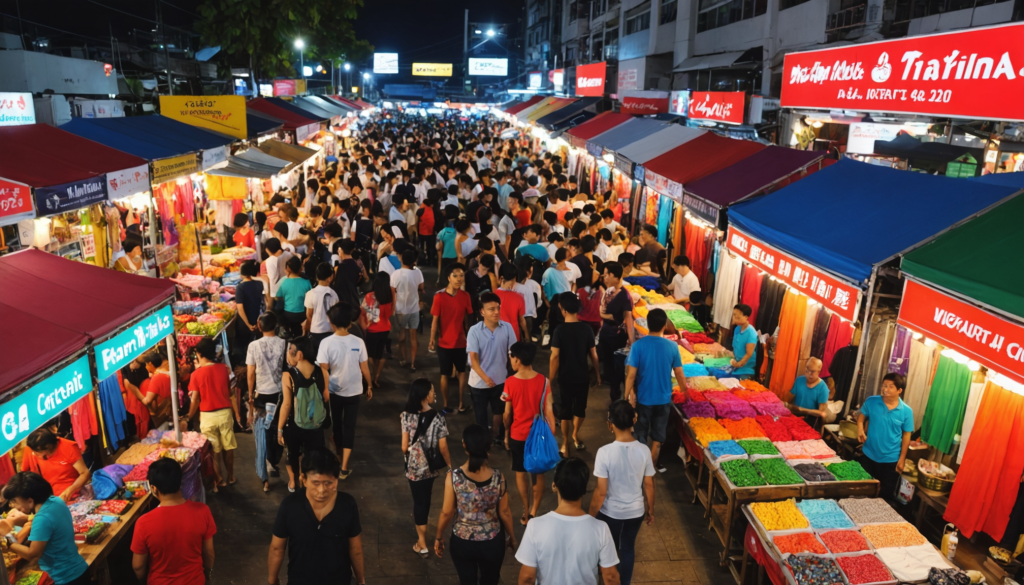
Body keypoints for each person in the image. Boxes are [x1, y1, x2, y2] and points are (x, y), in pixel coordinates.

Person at [268, 448, 366, 585]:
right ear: (304, 479)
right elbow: (277, 549)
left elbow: (355, 549)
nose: (321, 491)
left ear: (337, 480)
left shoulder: (347, 504)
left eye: (328, 483)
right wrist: (272, 579)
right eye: (316, 483)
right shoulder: (289, 506)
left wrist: (361, 580)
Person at [516, 458, 620, 585]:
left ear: (554, 486)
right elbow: (610, 577)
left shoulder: (535, 526)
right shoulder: (600, 528)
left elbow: (527, 577)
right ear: (584, 489)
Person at [434, 424, 517, 585]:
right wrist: (512, 537)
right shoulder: (498, 478)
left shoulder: (454, 478)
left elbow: (447, 512)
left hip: (462, 542)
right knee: (491, 580)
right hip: (492, 542)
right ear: (488, 446)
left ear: (464, 444)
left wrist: (439, 536)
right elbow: (505, 512)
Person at [589, 401, 656, 585]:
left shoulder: (604, 453)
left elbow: (601, 492)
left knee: (608, 550)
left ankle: (608, 580)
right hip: (635, 513)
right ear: (634, 420)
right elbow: (649, 484)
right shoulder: (644, 451)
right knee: (627, 548)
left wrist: (590, 516)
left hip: (611, 513)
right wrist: (650, 510)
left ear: (609, 424)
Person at [131, 459, 216, 585]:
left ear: (154, 488)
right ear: (180, 481)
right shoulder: (203, 511)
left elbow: (138, 566)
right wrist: (207, 573)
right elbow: (208, 552)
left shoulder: (143, 523)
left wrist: (143, 580)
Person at [624, 309, 687, 472]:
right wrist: (686, 393)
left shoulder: (638, 346)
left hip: (643, 399)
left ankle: (639, 467)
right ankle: (650, 469)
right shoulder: (672, 346)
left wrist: (626, 397)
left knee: (641, 435)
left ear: (648, 324)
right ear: (665, 325)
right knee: (658, 439)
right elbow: (679, 373)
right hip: (663, 399)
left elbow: (631, 375)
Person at [2, 472, 89, 585]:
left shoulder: (42, 519)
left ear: (30, 500)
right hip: (79, 568)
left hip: (66, 578)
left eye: (16, 502)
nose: (16, 507)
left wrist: (8, 537)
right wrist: (26, 520)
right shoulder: (55, 501)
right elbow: (50, 524)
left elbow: (32, 555)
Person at [317, 303, 373, 479]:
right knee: (350, 427)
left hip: (334, 391)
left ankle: (340, 455)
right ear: (350, 323)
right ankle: (344, 467)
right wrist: (369, 385)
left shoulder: (326, 343)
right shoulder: (358, 342)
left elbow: (323, 369)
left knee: (338, 425)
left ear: (332, 323)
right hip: (355, 390)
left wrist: (325, 389)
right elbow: (364, 367)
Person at [502, 342, 555, 526]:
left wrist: (506, 433)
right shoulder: (544, 381)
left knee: (520, 472)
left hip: (518, 435)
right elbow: (549, 411)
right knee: (538, 474)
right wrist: (551, 434)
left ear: (517, 359)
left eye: (511, 358)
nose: (511, 361)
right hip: (538, 437)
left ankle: (525, 511)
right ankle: (534, 511)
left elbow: (507, 414)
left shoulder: (509, 383)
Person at [402, 379, 452, 557]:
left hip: (414, 468)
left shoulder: (406, 416)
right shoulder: (438, 418)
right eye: (432, 391)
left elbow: (403, 446)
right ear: (425, 395)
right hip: (430, 467)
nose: (434, 394)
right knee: (426, 501)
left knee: (418, 502)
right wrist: (450, 465)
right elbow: (443, 447)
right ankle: (423, 540)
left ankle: (421, 543)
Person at [186, 338, 241, 490]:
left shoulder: (196, 375)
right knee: (228, 446)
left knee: (214, 450)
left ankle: (219, 480)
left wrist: (188, 416)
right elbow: (229, 392)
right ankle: (231, 476)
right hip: (224, 413)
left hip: (207, 415)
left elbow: (195, 399)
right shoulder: (224, 369)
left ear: (199, 353)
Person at [550, 292, 600, 458]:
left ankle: (565, 442)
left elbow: (554, 357)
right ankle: (575, 434)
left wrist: (550, 379)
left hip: (565, 377)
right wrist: (598, 374)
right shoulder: (586, 329)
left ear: (563, 310)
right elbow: (594, 355)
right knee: (580, 409)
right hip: (582, 376)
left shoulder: (559, 330)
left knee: (565, 411)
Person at [467, 292, 517, 445]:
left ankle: (495, 435)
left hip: (501, 380)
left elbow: (513, 353)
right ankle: (483, 442)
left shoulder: (507, 328)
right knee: (481, 416)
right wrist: (485, 378)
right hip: (479, 383)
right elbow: (473, 360)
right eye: (491, 309)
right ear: (482, 311)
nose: (496, 312)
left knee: (499, 411)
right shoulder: (474, 331)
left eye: (497, 308)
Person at [278, 338, 328, 492]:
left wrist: (280, 428)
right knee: (314, 456)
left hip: (295, 426)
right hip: (316, 425)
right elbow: (325, 397)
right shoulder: (323, 372)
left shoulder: (288, 376)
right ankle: (311, 483)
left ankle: (296, 482)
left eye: (289, 352)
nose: (288, 356)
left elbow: (286, 405)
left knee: (293, 454)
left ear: (299, 355)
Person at [246, 312, 288, 492]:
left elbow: (250, 374)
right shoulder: (285, 344)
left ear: (260, 326)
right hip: (280, 395)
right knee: (277, 430)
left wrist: (250, 395)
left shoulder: (253, 346)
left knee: (261, 435)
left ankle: (265, 476)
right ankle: (274, 460)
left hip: (261, 395)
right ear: (276, 325)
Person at [857, 373, 914, 500]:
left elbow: (906, 435)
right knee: (863, 491)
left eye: (890, 387)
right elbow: (861, 418)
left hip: (890, 460)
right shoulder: (872, 401)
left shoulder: (906, 411)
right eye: (884, 386)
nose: (885, 389)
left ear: (899, 390)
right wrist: (860, 430)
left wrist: (902, 459)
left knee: (884, 496)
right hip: (868, 455)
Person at [430, 263, 474, 414]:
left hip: (461, 342)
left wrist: (469, 335)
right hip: (444, 343)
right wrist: (432, 338)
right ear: (448, 278)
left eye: (461, 275)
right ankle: (446, 404)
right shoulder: (439, 297)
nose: (459, 279)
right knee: (445, 374)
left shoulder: (465, 296)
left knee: (462, 372)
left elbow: (468, 319)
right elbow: (435, 320)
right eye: (455, 276)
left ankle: (461, 403)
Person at [598, 262, 634, 402]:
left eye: (608, 274)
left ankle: (618, 398)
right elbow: (601, 313)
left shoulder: (625, 296)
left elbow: (628, 318)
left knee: (617, 368)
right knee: (608, 363)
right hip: (606, 333)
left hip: (617, 336)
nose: (605, 277)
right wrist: (610, 317)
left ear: (617, 277)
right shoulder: (609, 292)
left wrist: (631, 341)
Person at [21, 429, 90, 502]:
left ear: (48, 446)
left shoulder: (69, 447)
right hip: (49, 496)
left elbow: (85, 473)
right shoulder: (30, 450)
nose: (34, 454)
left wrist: (70, 490)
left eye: (37, 452)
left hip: (72, 495)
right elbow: (23, 475)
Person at [391, 249, 425, 371]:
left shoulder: (395, 274)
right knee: (413, 337)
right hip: (414, 308)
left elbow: (393, 293)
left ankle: (403, 358)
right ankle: (413, 363)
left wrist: (392, 309)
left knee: (402, 335)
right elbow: (421, 288)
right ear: (413, 261)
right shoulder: (418, 273)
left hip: (400, 309)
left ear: (401, 259)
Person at [360, 272, 394, 387]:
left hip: (371, 329)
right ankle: (376, 377)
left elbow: (362, 312)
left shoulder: (369, 296)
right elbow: (390, 313)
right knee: (381, 354)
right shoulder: (389, 296)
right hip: (384, 329)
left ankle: (371, 376)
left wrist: (365, 325)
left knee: (370, 354)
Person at [304, 262, 340, 357]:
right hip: (330, 332)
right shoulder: (334, 294)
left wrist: (316, 324)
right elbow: (336, 315)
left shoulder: (310, 293)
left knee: (317, 358)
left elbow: (309, 314)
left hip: (315, 332)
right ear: (330, 278)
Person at [786, 357, 830, 429]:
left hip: (810, 419)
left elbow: (819, 413)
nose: (809, 373)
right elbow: (789, 398)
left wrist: (801, 409)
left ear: (819, 371)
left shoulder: (823, 388)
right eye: (807, 370)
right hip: (796, 414)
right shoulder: (799, 380)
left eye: (812, 371)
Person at [276, 256, 312, 338]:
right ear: (300, 268)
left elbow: (278, 301)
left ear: (288, 268)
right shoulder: (306, 282)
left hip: (288, 315)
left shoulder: (283, 283)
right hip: (303, 315)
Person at [234, 260, 264, 357]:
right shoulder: (259, 284)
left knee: (246, 348)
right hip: (257, 319)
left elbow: (240, 308)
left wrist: (248, 325)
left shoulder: (240, 287)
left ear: (242, 273)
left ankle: (246, 365)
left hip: (245, 323)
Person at [495, 263, 528, 341]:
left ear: (501, 278)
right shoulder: (519, 297)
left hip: (496, 337)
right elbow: (522, 321)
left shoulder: (492, 296)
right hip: (514, 336)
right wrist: (527, 335)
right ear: (515, 278)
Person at [730, 304, 759, 380]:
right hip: (736, 362)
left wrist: (739, 364)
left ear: (746, 317)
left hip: (746, 367)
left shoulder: (751, 333)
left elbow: (749, 354)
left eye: (738, 318)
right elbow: (734, 346)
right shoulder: (737, 328)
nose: (735, 319)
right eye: (734, 316)